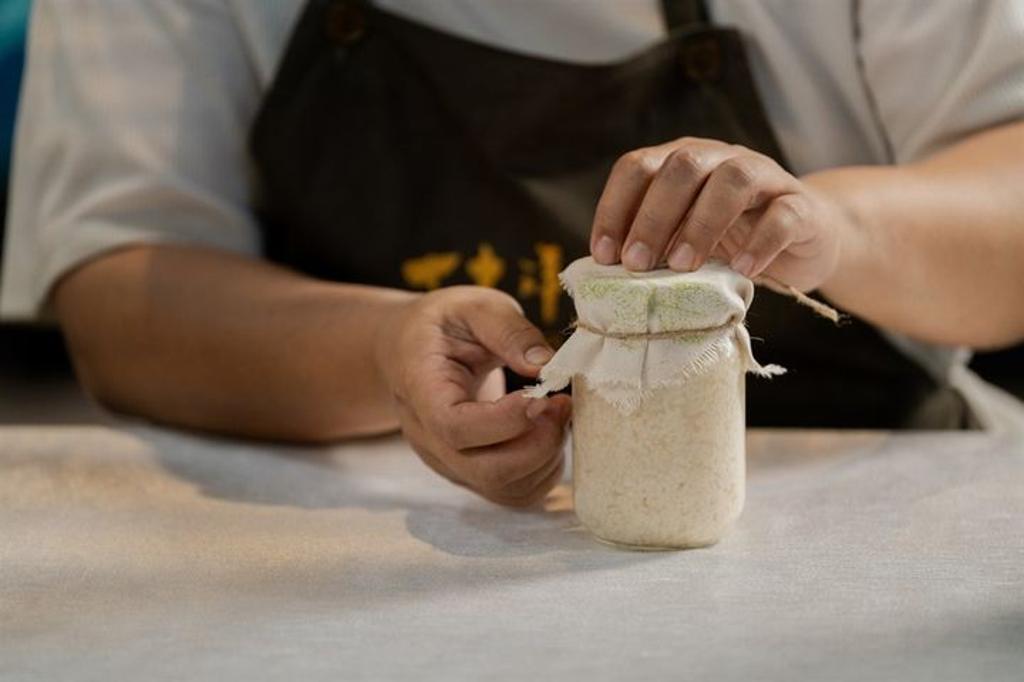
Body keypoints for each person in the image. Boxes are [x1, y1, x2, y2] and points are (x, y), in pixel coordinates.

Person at [2, 0, 1023, 506]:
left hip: (852, 524)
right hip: (364, 542)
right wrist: (377, 353)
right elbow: (120, 296)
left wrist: (826, 227)